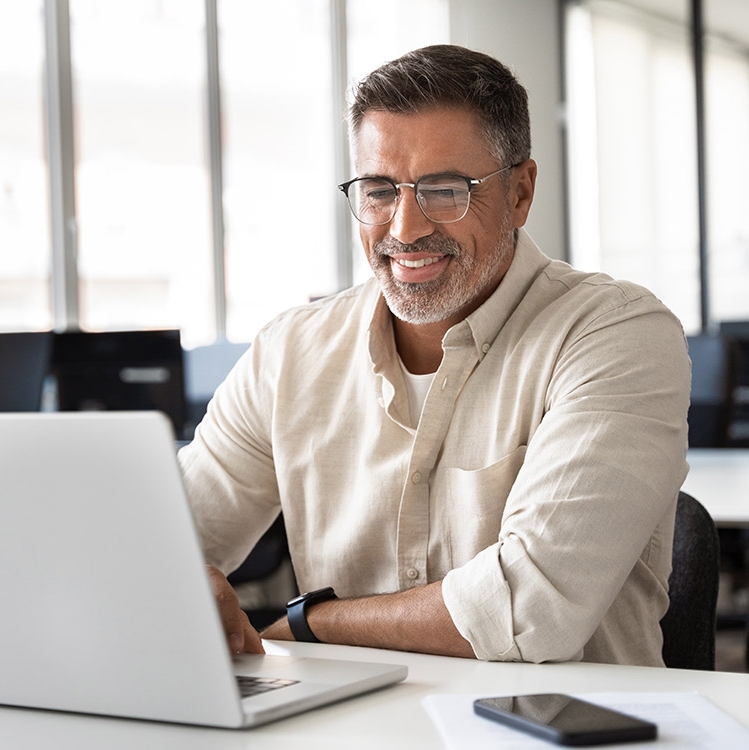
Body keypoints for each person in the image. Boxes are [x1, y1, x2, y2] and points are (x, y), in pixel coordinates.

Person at [178, 44, 690, 666]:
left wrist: (308, 626)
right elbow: (168, 537)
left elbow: (530, 608)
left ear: (521, 193)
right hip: (346, 727)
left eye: (446, 190)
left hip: (557, 729)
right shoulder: (289, 353)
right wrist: (164, 580)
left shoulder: (616, 333)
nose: (404, 228)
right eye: (378, 191)